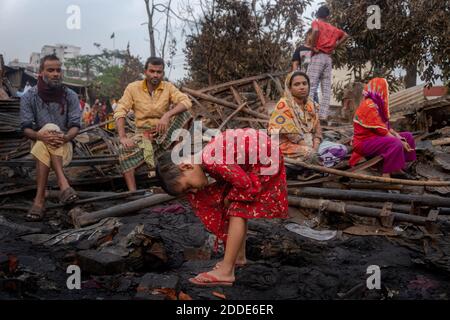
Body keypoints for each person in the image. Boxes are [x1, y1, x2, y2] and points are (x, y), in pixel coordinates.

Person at [156, 129, 288, 286]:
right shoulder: (207, 158)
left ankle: (226, 270)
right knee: (236, 205)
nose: (194, 191)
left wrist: (227, 200)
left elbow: (244, 184)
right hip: (264, 154)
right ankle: (238, 257)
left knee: (237, 208)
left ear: (186, 166)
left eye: (188, 187)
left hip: (266, 159)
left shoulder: (211, 159)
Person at [114, 57, 193, 191]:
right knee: (123, 150)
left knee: (184, 112)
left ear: (163, 73)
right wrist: (122, 137)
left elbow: (186, 102)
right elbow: (120, 110)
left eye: (159, 72)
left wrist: (167, 115)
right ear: (145, 72)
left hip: (163, 130)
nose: (155, 75)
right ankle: (133, 192)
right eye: (152, 71)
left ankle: (176, 154)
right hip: (143, 133)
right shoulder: (133, 88)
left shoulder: (168, 87)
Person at [20, 54, 81, 221]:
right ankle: (64, 185)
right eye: (51, 70)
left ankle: (39, 201)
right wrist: (40, 135)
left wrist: (66, 137)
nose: (56, 74)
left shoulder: (70, 95)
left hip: (65, 147)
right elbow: (26, 128)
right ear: (41, 72)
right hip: (37, 144)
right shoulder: (28, 96)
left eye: (58, 70)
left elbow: (76, 125)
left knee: (51, 130)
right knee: (48, 131)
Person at [269, 71, 347, 170]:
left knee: (341, 149)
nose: (302, 87)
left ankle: (316, 166)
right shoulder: (284, 105)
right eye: (297, 84)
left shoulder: (311, 104)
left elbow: (317, 129)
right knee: (310, 154)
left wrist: (316, 145)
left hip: (311, 143)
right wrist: (310, 150)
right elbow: (292, 134)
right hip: (287, 146)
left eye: (304, 83)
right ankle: (319, 166)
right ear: (289, 88)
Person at [349, 78, 416, 178]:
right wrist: (399, 141)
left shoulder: (378, 105)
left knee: (408, 136)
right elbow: (382, 131)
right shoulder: (369, 105)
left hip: (376, 138)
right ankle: (387, 174)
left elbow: (386, 128)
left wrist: (399, 136)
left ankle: (401, 167)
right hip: (363, 143)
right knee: (395, 143)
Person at [307, 5, 349, 122]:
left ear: (317, 14)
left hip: (318, 55)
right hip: (328, 58)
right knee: (326, 88)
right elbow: (345, 35)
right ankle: (323, 116)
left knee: (311, 85)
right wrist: (335, 45)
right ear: (327, 16)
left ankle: (309, 113)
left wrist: (313, 46)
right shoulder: (333, 28)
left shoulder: (316, 23)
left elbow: (315, 31)